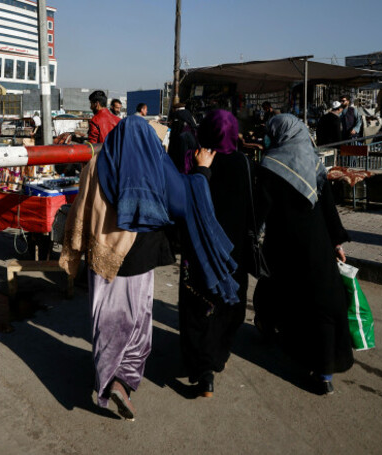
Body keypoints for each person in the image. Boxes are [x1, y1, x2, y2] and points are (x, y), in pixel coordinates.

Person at [60, 115, 239, 420]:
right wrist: (202, 172)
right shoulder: (154, 165)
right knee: (136, 320)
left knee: (106, 320)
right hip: (140, 258)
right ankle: (123, 381)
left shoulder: (96, 165)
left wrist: (74, 249)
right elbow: (184, 200)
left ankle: (106, 377)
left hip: (103, 257)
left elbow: (80, 210)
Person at [253, 113, 354, 395]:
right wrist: (336, 242)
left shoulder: (269, 165)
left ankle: (268, 326)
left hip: (282, 246)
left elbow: (260, 212)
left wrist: (250, 239)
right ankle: (324, 373)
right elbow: (327, 205)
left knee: (279, 292)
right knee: (322, 303)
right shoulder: (313, 162)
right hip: (316, 245)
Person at [177, 110, 251, 398]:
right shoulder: (244, 164)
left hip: (199, 251)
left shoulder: (195, 162)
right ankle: (218, 357)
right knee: (227, 305)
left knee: (198, 306)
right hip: (234, 251)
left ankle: (203, 372)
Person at [167, 102, 198, 173]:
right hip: (191, 142)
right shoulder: (189, 115)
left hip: (179, 144)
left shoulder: (175, 116)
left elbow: (173, 135)